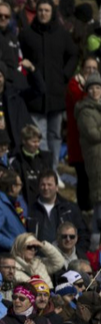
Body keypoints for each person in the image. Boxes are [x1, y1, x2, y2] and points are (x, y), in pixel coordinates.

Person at [19, 0, 78, 176]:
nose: (43, 13)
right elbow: (21, 58)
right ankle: (44, 170)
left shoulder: (61, 34)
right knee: (40, 135)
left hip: (56, 94)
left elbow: (73, 54)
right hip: (36, 95)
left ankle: (53, 170)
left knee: (55, 135)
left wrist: (65, 75)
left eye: (47, 10)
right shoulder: (27, 34)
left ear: (52, 13)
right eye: (40, 10)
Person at [66, 57, 100, 212]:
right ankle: (85, 213)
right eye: (88, 67)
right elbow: (92, 133)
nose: (91, 70)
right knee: (85, 180)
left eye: (94, 68)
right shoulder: (75, 87)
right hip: (81, 146)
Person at [76, 73, 101, 230]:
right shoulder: (85, 111)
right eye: (91, 88)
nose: (95, 91)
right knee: (99, 195)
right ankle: (96, 238)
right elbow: (93, 134)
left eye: (98, 87)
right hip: (96, 159)